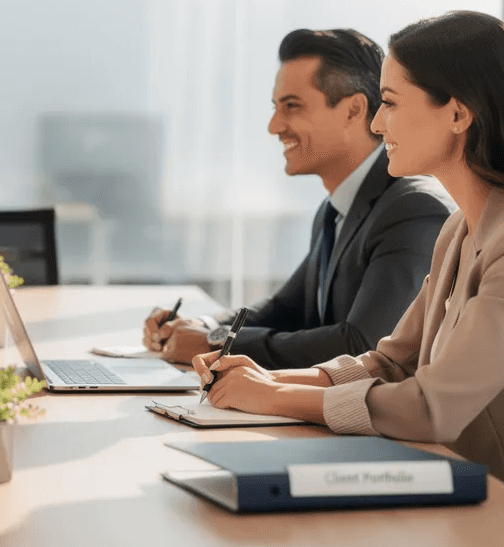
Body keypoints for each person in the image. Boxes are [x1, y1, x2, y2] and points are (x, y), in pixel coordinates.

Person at [197, 11, 504, 547]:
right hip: (494, 509)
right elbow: (392, 361)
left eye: (389, 103)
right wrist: (267, 377)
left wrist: (272, 398)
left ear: (458, 112)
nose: (379, 124)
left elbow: (433, 408)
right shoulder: (462, 227)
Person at [143, 29, 453, 368]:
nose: (274, 126)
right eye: (276, 108)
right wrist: (199, 326)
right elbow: (284, 311)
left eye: (292, 106)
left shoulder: (413, 208)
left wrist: (217, 343)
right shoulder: (335, 210)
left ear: (353, 110)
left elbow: (364, 344)